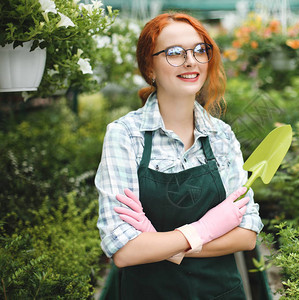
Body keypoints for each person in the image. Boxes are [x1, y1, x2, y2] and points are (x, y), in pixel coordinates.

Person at [95, 12, 264, 299]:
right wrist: (203, 230)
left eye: (200, 50)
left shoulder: (221, 136)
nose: (191, 61)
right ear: (149, 66)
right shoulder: (126, 135)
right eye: (174, 52)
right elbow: (123, 250)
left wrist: (158, 244)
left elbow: (246, 235)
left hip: (221, 293)